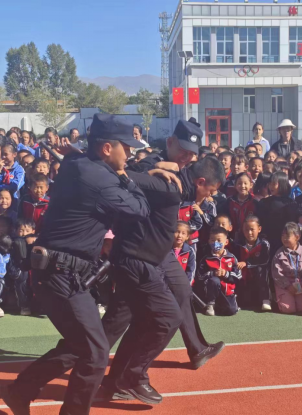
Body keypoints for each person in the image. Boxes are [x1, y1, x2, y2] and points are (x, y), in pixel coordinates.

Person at [0, 114, 151, 415]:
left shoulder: (76, 163)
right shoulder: (101, 179)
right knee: (96, 354)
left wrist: (82, 154)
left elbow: (80, 159)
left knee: (81, 346)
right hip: (62, 275)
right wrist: (125, 176)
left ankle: (20, 391)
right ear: (106, 148)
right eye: (126, 147)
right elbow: (141, 209)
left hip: (60, 273)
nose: (130, 154)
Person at [100, 130, 226, 404]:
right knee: (125, 319)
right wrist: (152, 169)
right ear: (169, 143)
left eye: (192, 154)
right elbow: (122, 177)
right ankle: (90, 364)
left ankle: (121, 378)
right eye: (183, 151)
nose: (186, 158)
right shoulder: (158, 171)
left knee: (171, 300)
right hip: (136, 254)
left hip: (155, 252)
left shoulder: (181, 180)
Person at [195, 226, 241, 316]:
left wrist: (226, 274)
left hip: (227, 291)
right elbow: (199, 276)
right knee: (214, 280)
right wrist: (213, 273)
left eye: (219, 241)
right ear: (209, 241)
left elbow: (238, 276)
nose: (216, 243)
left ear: (226, 242)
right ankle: (211, 304)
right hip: (210, 291)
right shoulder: (206, 258)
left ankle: (221, 305)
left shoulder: (232, 258)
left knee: (231, 311)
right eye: (213, 240)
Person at [271, 222, 302, 314]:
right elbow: (277, 274)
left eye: (287, 236)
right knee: (288, 309)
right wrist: (288, 285)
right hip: (285, 286)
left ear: (297, 237)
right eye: (282, 236)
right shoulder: (279, 254)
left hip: (301, 285)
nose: (284, 238)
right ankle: (279, 298)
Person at [232, 216, 271, 311]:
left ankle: (265, 299)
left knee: (261, 270)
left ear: (259, 229)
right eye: (246, 230)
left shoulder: (264, 244)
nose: (249, 233)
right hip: (244, 275)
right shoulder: (238, 243)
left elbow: (264, 260)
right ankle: (235, 297)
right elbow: (233, 258)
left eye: (252, 229)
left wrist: (246, 263)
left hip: (258, 274)